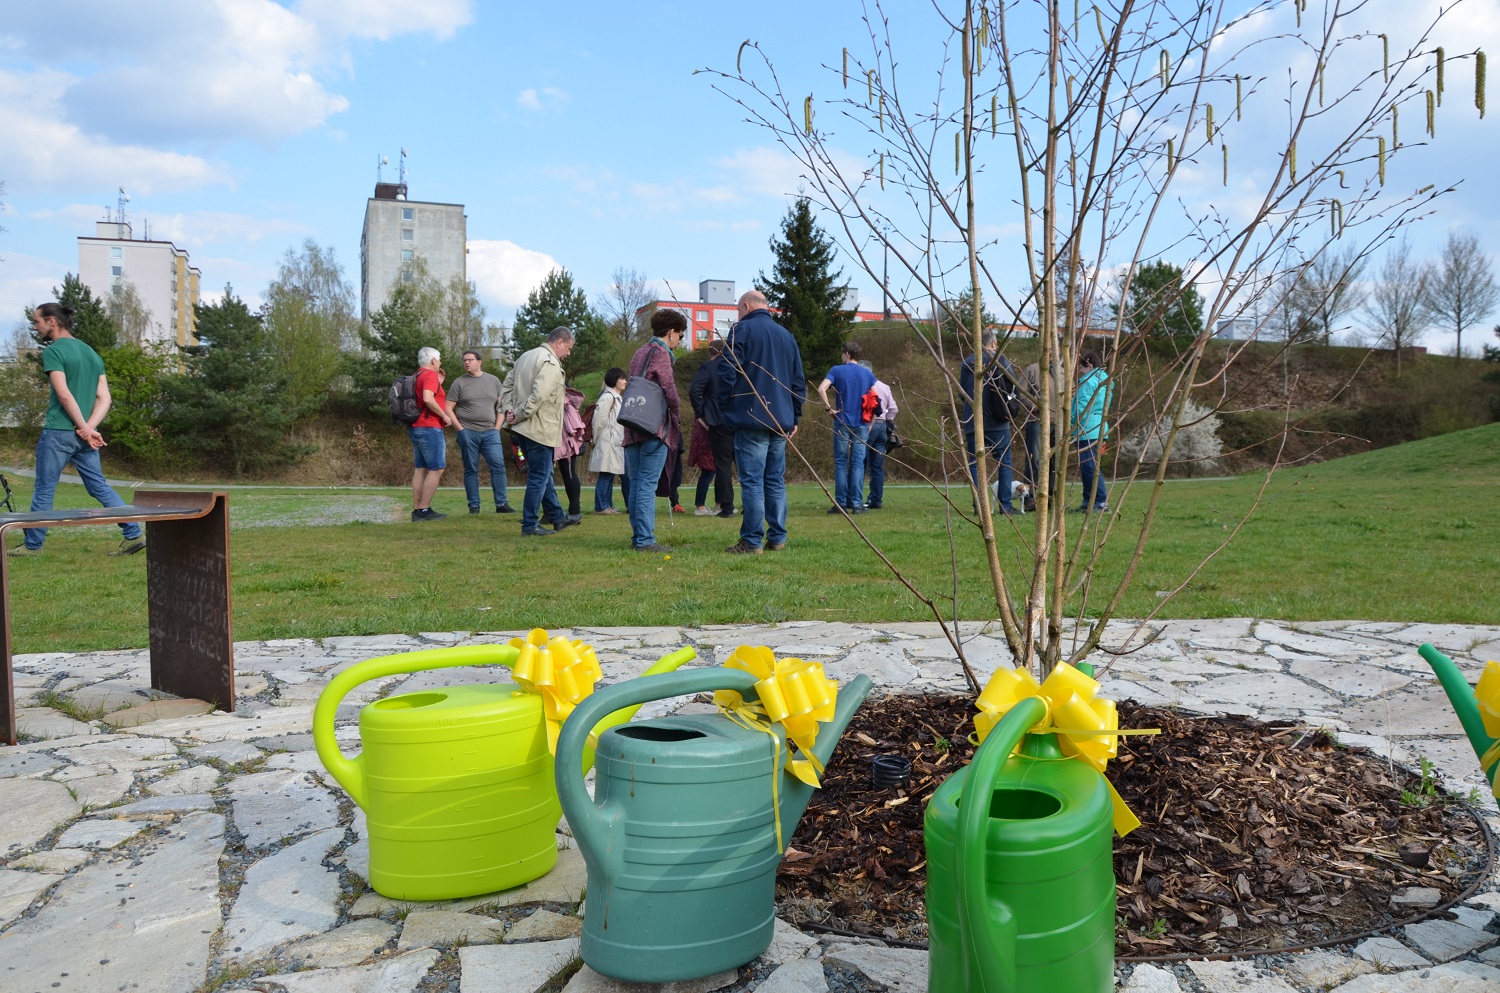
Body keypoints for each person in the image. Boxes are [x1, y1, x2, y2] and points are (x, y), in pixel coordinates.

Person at [9, 303, 145, 556]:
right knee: (99, 487)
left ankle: (33, 545)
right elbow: (105, 398)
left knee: (45, 488)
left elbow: (64, 396)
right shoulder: (91, 353)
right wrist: (89, 429)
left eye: (36, 321)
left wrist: (83, 428)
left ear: (51, 321)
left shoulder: (54, 351)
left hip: (59, 432)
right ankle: (133, 534)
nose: (35, 327)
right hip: (85, 437)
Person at [717, 289, 805, 554]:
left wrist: (726, 406)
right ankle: (777, 538)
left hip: (751, 415)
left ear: (745, 306)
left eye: (738, 310)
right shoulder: (787, 337)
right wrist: (795, 416)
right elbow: (797, 382)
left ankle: (752, 541)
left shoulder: (741, 331)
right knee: (775, 480)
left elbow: (727, 370)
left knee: (753, 481)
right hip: (781, 420)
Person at [500, 326, 578, 537]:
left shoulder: (525, 357)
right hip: (539, 427)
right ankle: (529, 525)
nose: (568, 353)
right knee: (539, 477)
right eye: (568, 348)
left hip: (522, 429)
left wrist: (509, 410)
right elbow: (539, 396)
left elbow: (506, 386)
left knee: (542, 476)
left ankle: (558, 517)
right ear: (559, 342)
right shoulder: (550, 362)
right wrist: (518, 413)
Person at [623, 309, 685, 553]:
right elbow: (669, 390)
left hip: (633, 424)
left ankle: (638, 535)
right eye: (680, 335)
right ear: (670, 332)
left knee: (638, 482)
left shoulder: (640, 352)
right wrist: (677, 418)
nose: (680, 341)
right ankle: (645, 540)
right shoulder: (661, 354)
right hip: (654, 426)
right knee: (647, 484)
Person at [445, 350, 515, 516]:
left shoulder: (493, 380)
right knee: (471, 468)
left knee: (498, 466)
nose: (467, 363)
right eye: (464, 360)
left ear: (479, 362)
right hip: (467, 431)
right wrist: (460, 430)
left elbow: (502, 405)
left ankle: (501, 503)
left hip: (490, 432)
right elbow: (448, 408)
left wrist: (497, 427)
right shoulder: (459, 383)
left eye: (470, 360)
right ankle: (474, 506)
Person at [957, 330, 1017, 515]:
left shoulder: (967, 363)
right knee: (1004, 462)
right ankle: (1005, 506)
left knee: (975, 463)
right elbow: (1013, 386)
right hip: (997, 420)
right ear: (991, 344)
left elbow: (961, 393)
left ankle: (980, 506)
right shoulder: (1000, 361)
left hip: (972, 419)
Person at [817, 340, 878, 514]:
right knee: (858, 464)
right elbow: (876, 398)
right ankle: (857, 504)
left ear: (846, 354)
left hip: (842, 421)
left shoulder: (836, 370)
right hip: (861, 423)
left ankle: (841, 504)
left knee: (841, 463)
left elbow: (821, 389)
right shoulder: (866, 374)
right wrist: (871, 423)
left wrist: (829, 409)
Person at [409, 346, 458, 522]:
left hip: (415, 426)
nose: (441, 362)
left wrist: (439, 383)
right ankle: (424, 509)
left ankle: (417, 509)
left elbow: (425, 396)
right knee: (437, 467)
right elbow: (428, 399)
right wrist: (444, 415)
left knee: (421, 468)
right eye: (439, 359)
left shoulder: (418, 375)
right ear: (433, 361)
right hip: (430, 426)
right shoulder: (429, 375)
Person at [688, 338, 736, 517]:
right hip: (738, 419)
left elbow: (695, 390)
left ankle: (725, 506)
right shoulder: (737, 367)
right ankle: (750, 504)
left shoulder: (708, 367)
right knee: (743, 465)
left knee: (721, 465)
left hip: (717, 421)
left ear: (712, 352)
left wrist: (702, 414)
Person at [1072, 350, 1114, 514]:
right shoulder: (1105, 380)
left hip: (1086, 429)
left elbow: (1081, 407)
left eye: (1081, 368)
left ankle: (1100, 501)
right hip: (1099, 427)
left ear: (1089, 364)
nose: (1080, 372)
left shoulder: (1089, 382)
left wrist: (1071, 424)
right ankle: (1089, 501)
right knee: (1089, 467)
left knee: (1090, 467)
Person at [588, 368, 626, 514]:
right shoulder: (607, 397)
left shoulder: (616, 397)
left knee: (610, 473)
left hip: (614, 440)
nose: (625, 381)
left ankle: (608, 505)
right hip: (607, 440)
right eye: (622, 378)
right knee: (606, 473)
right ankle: (601, 506)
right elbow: (598, 420)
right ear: (615, 380)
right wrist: (595, 439)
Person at [862, 361, 898, 510]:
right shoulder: (885, 386)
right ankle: (876, 499)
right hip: (882, 426)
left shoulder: (863, 386)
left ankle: (855, 498)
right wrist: (887, 419)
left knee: (860, 463)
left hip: (867, 425)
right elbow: (894, 409)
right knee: (877, 466)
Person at [555, 386, 587, 525]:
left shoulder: (563, 402)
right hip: (567, 441)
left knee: (567, 474)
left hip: (563, 440)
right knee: (568, 474)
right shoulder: (569, 401)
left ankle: (574, 511)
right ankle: (573, 511)